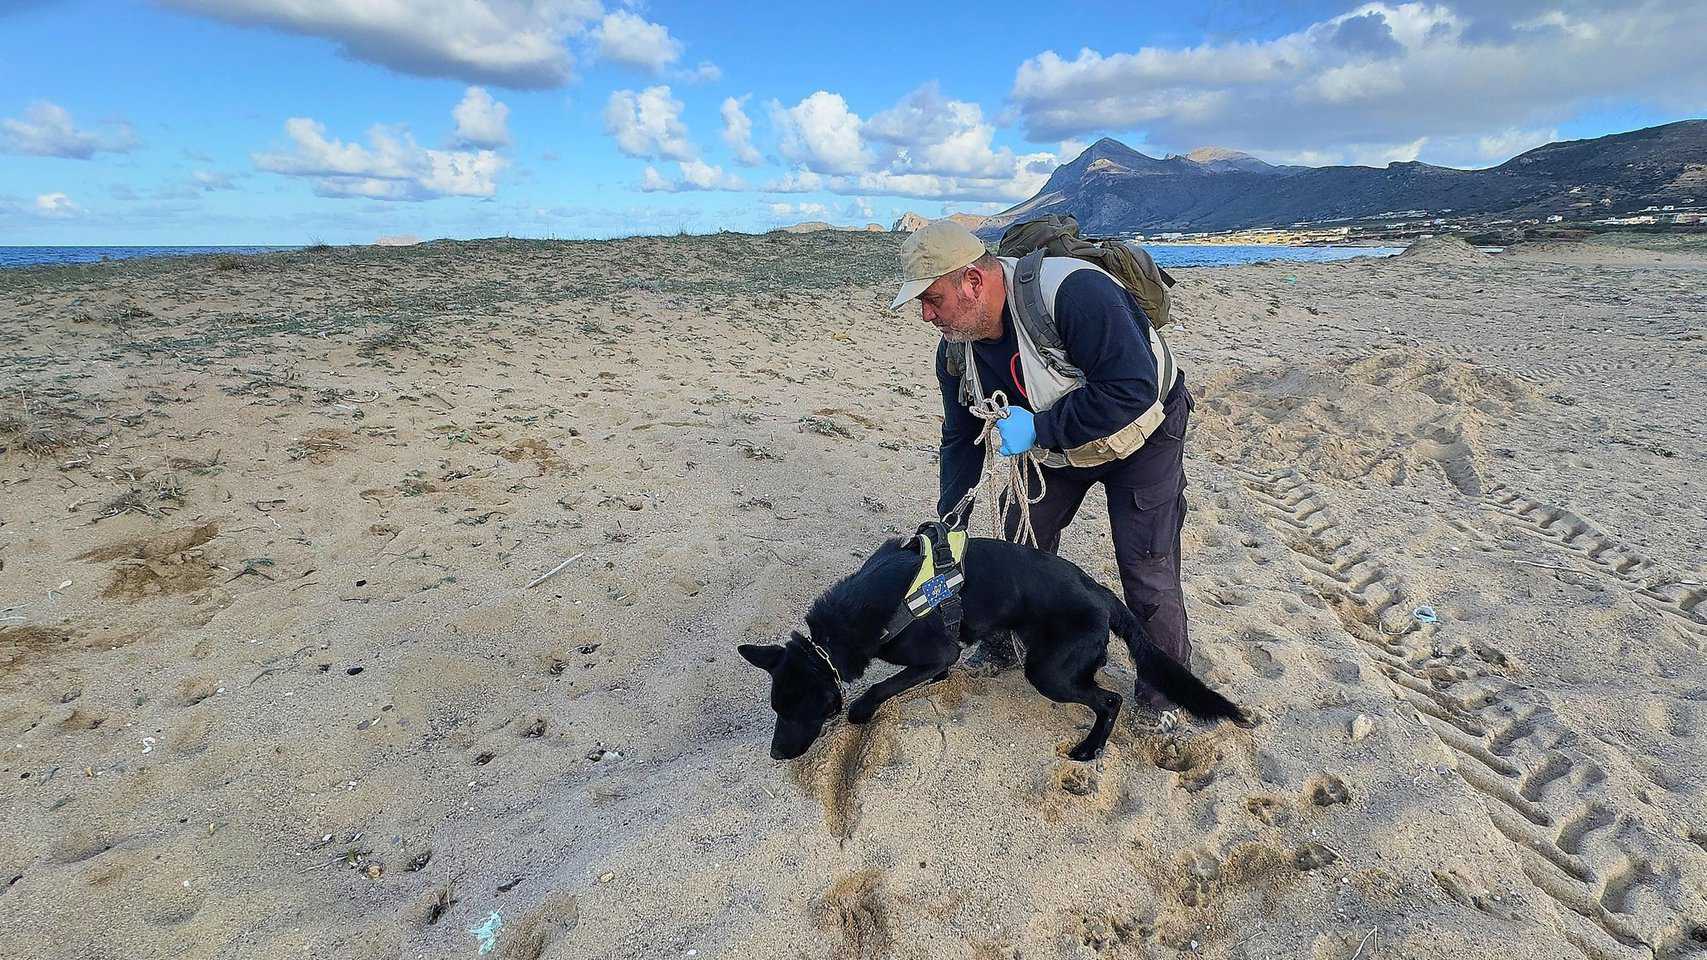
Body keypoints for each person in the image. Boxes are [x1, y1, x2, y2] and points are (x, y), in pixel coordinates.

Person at [890, 219, 1197, 684]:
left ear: (972, 281)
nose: (926, 316)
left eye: (932, 299)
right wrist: (950, 522)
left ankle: (1166, 695)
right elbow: (959, 436)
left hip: (1143, 436)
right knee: (1018, 544)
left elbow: (1132, 388)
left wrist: (1039, 427)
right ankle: (1006, 645)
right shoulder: (956, 350)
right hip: (1056, 450)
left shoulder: (1076, 294)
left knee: (1145, 571)